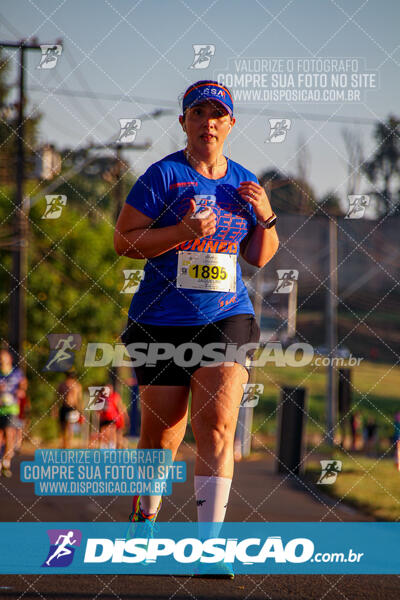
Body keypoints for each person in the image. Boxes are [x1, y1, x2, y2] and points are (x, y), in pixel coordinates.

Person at [114, 80, 279, 578]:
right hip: (161, 320)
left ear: (230, 124)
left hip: (226, 316)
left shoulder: (246, 182)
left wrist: (267, 217)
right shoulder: (163, 176)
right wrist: (183, 234)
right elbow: (125, 241)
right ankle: (144, 521)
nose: (208, 120)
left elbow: (257, 257)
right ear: (183, 121)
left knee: (219, 427)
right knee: (163, 435)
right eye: (198, 112)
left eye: (217, 113)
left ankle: (210, 546)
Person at [0, 348, 27, 477]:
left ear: (9, 359)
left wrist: (21, 390)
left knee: (9, 433)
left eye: (3, 358)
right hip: (0, 408)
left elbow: (23, 384)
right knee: (0, 436)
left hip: (11, 408)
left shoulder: (16, 373)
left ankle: (6, 462)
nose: (1, 360)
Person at [55, 371, 82, 449]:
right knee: (63, 427)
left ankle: (68, 445)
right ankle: (64, 444)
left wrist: (80, 410)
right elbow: (57, 398)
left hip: (72, 408)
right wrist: (55, 408)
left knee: (69, 427)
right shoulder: (62, 385)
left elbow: (79, 399)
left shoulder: (77, 386)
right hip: (64, 407)